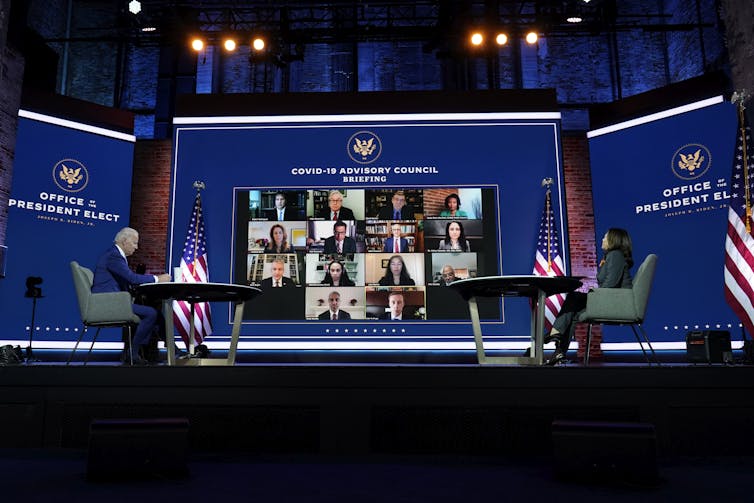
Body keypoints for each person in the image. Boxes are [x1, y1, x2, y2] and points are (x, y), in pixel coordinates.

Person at [546, 227, 634, 365]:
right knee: (573, 312)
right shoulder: (612, 256)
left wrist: (594, 293)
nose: (603, 239)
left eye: (605, 236)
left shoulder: (615, 255)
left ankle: (554, 333)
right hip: (611, 300)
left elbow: (610, 285)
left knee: (574, 298)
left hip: (616, 303)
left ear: (614, 240)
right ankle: (559, 352)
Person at [92, 227, 171, 365]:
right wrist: (158, 279)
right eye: (134, 243)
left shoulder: (116, 255)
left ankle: (172, 349)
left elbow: (127, 280)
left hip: (114, 301)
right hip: (107, 303)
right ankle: (133, 353)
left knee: (157, 315)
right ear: (124, 241)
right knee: (151, 313)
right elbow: (131, 278)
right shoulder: (114, 256)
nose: (136, 247)